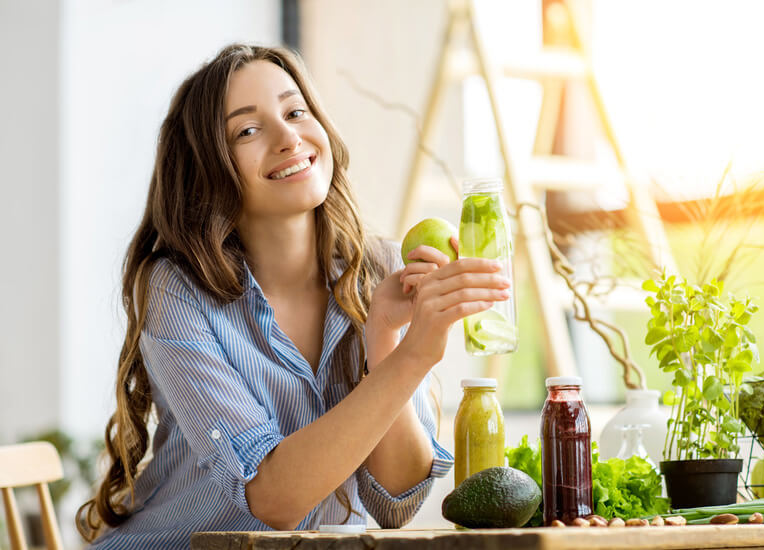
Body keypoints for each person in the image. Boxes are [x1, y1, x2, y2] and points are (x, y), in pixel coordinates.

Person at [75, 43, 511, 549]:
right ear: (207, 170)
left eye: (295, 111)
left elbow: (396, 503)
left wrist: (388, 343)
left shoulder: (384, 271)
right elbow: (272, 501)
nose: (288, 137)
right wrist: (416, 355)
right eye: (248, 130)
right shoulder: (177, 291)